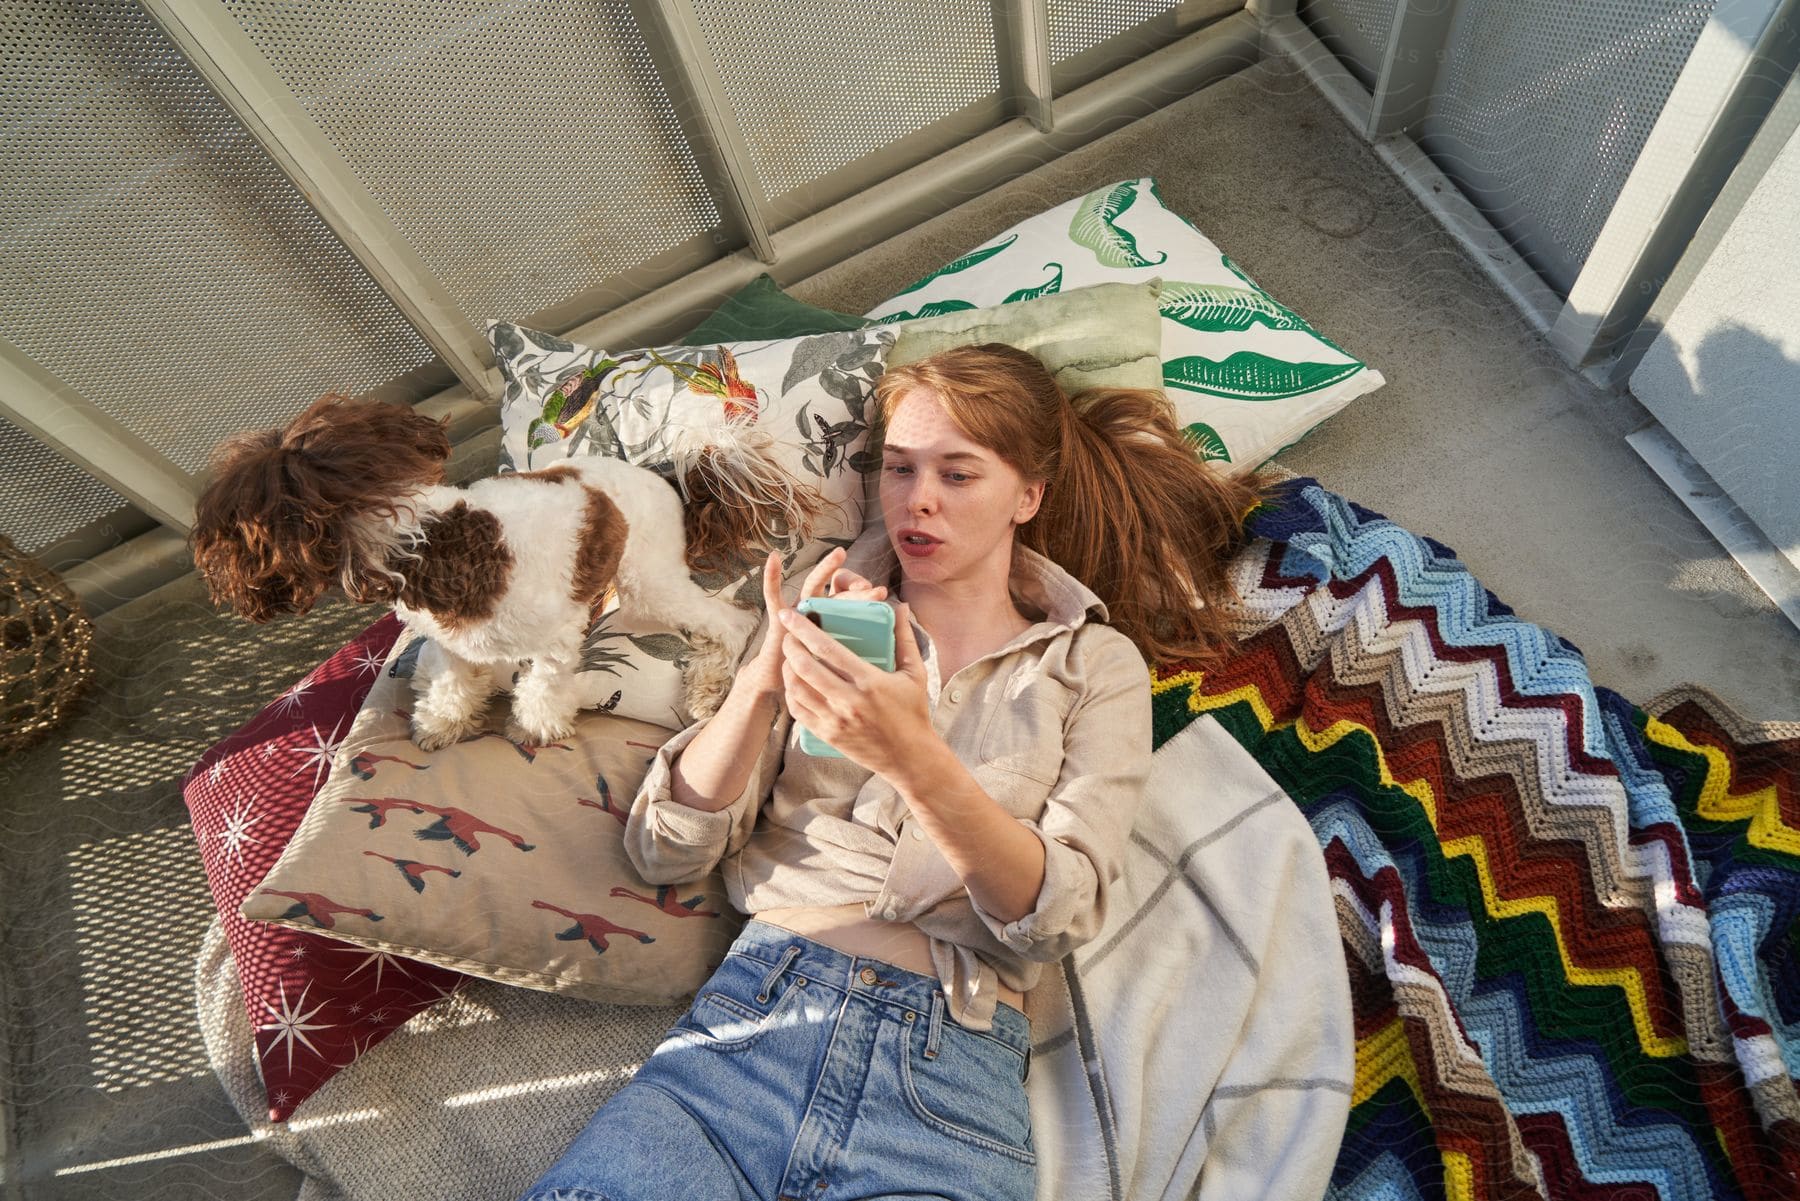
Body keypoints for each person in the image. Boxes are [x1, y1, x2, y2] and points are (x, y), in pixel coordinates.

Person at [517, 343, 1277, 1201]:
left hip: (946, 1079)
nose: (918, 500)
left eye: (958, 475)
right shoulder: (826, 607)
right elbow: (665, 848)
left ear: (1026, 495)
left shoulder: (1091, 664)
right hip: (745, 1034)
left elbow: (1057, 912)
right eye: (900, 469)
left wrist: (911, 754)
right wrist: (767, 674)